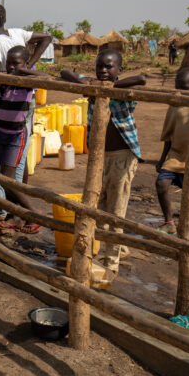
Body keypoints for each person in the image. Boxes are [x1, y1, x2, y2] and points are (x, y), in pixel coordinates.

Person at [61, 49, 146, 276]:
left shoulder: (124, 90)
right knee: (100, 205)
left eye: (109, 67)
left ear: (119, 69)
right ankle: (120, 248)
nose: (104, 70)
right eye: (100, 66)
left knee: (116, 209)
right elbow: (65, 72)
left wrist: (107, 88)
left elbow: (141, 78)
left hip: (122, 156)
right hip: (100, 157)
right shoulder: (93, 86)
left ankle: (111, 261)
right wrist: (89, 83)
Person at [0, 4, 52, 218]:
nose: (11, 67)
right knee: (16, 159)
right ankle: (16, 211)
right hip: (12, 98)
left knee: (6, 161)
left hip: (17, 98)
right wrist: (27, 66)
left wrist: (24, 70)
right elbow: (47, 38)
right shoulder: (18, 33)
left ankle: (17, 210)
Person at [0, 46, 47, 233]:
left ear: (26, 64)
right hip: (0, 132)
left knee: (7, 178)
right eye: (9, 64)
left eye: (17, 64)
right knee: (3, 177)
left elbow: (46, 78)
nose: (12, 67)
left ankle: (34, 214)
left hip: (16, 135)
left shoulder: (27, 82)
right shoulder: (5, 83)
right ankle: (16, 215)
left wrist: (25, 71)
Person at [155, 67, 189, 232]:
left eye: (184, 88)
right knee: (161, 184)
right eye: (177, 87)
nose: (180, 92)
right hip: (176, 155)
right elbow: (169, 134)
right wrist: (162, 158)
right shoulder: (175, 105)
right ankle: (169, 222)